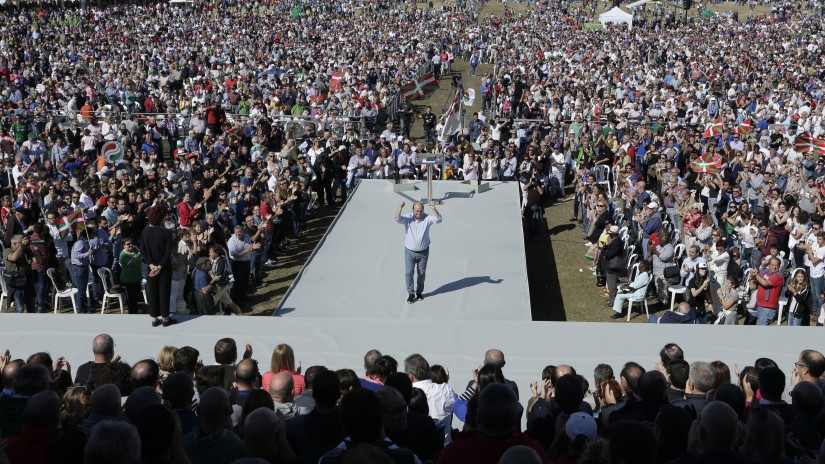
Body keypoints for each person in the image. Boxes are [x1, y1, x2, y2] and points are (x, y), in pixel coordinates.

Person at [394, 201, 442, 304]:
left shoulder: (427, 218)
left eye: (421, 211)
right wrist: (400, 207)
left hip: (423, 253)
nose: (419, 213)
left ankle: (419, 292)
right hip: (409, 252)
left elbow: (439, 220)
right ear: (413, 210)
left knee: (421, 273)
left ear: (423, 210)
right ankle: (411, 294)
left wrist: (434, 209)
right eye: (417, 211)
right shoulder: (408, 218)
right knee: (409, 273)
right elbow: (397, 219)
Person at [140, 204, 176, 327]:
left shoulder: (145, 232)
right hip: (164, 267)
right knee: (164, 292)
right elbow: (167, 253)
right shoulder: (166, 233)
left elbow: (143, 251)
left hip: (151, 266)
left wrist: (151, 265)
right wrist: (159, 267)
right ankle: (166, 318)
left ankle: (154, 318)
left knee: (153, 292)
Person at [3, 234, 34, 313]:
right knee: (19, 307)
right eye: (21, 242)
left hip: (27, 281)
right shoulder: (7, 250)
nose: (24, 243)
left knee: (32, 307)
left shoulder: (25, 250)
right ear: (13, 243)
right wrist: (23, 246)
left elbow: (38, 261)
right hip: (16, 283)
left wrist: (35, 251)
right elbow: (13, 257)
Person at [751, 257, 784, 325]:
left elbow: (765, 283)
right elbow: (755, 277)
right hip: (760, 306)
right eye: (772, 265)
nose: (774, 267)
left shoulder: (778, 276)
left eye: (776, 265)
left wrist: (756, 274)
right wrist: (753, 274)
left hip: (767, 309)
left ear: (779, 266)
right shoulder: (765, 272)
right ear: (768, 265)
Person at [118, 238, 143, 314]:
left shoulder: (133, 252)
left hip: (136, 278)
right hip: (129, 280)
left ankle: (135, 310)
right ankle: (132, 312)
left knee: (136, 297)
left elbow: (138, 259)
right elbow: (133, 262)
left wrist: (138, 254)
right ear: (123, 246)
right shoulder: (123, 254)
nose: (131, 245)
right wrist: (140, 254)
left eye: (131, 243)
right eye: (128, 244)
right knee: (131, 298)